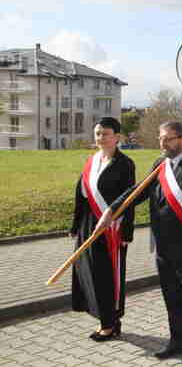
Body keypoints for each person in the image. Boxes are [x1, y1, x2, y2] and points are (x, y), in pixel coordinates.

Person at [95, 121, 182, 366]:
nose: (163, 143)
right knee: (172, 298)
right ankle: (177, 342)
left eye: (168, 139)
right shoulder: (160, 164)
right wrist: (112, 210)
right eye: (161, 139)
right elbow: (138, 191)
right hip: (163, 247)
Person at [70, 117, 135, 341]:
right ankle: (103, 319)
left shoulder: (125, 164)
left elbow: (129, 200)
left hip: (111, 228)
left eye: (105, 134)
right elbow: (81, 195)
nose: (100, 138)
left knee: (107, 276)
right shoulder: (91, 160)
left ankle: (110, 323)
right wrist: (75, 225)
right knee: (89, 272)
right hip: (89, 223)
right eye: (97, 133)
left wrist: (127, 232)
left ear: (117, 137)